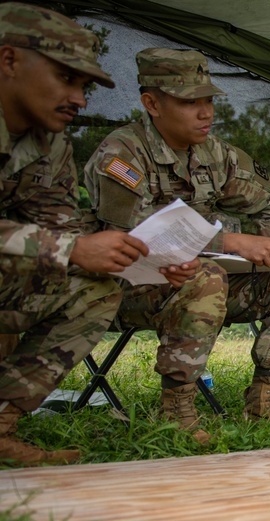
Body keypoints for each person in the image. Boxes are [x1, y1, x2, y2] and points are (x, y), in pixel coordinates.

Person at [84, 48, 270, 444]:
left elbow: (269, 201)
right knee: (206, 275)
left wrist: (268, 251)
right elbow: (126, 229)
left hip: (202, 284)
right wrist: (228, 240)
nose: (205, 112)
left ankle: (264, 400)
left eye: (208, 100)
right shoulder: (122, 152)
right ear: (151, 103)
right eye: (190, 102)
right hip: (125, 288)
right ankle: (176, 413)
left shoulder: (216, 155)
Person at [0, 3, 154, 466]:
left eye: (84, 86)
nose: (80, 99)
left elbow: (56, 227)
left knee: (94, 287)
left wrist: (141, 258)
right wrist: (72, 247)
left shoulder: (50, 143)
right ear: (8, 60)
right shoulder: (121, 147)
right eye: (66, 78)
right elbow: (65, 243)